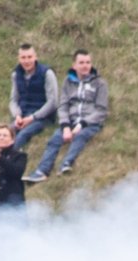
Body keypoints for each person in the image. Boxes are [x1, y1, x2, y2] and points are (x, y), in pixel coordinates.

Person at [24, 50, 109, 182]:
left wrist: (82, 124)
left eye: (88, 62)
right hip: (71, 122)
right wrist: (65, 126)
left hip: (90, 124)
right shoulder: (67, 83)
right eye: (81, 63)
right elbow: (63, 106)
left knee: (80, 136)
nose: (85, 66)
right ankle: (41, 171)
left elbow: (101, 110)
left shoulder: (100, 84)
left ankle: (66, 164)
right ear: (74, 65)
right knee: (54, 140)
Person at [9, 44, 58, 151]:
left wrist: (32, 118)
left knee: (23, 135)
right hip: (23, 115)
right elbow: (13, 100)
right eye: (23, 57)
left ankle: (11, 156)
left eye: (29, 57)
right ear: (19, 59)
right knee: (7, 133)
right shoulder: (16, 75)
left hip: (43, 117)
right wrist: (17, 116)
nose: (27, 61)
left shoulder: (47, 73)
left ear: (36, 57)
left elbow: (53, 103)